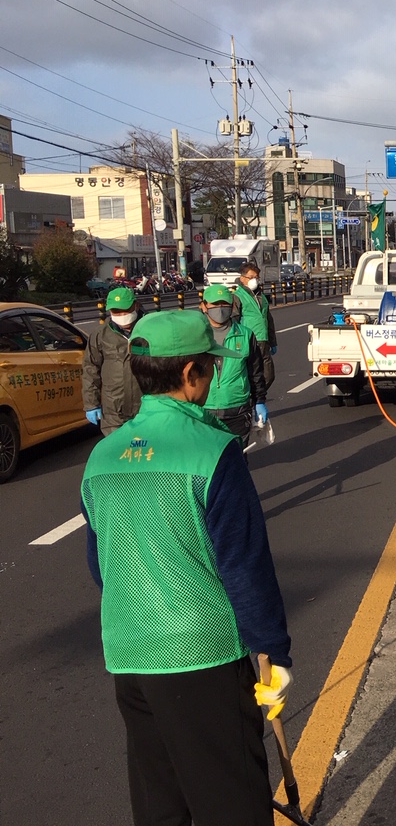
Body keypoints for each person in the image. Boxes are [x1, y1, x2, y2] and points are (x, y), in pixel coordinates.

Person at [79, 309, 292, 826]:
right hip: (202, 657)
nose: (214, 375)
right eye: (209, 367)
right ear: (192, 375)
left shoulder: (103, 456)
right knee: (231, 801)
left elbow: (100, 564)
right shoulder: (214, 450)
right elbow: (244, 565)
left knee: (159, 803)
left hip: (129, 657)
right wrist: (273, 650)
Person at [201, 284, 269, 448]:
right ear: (204, 306)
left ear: (232, 306)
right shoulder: (195, 335)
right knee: (206, 464)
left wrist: (259, 400)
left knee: (237, 461)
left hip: (237, 410)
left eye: (224, 304)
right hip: (203, 410)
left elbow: (255, 372)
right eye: (214, 304)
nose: (220, 308)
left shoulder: (245, 335)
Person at [83, 286, 142, 435]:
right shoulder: (100, 335)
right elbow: (91, 369)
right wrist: (91, 404)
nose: (122, 315)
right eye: (116, 311)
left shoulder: (149, 329)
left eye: (125, 310)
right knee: (119, 454)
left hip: (147, 407)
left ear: (136, 305)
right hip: (114, 411)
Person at [232, 260, 277, 393]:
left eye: (256, 277)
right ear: (242, 278)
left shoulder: (261, 296)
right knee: (252, 374)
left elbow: (268, 319)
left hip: (263, 340)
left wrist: (273, 341)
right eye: (251, 277)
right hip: (248, 340)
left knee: (269, 375)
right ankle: (251, 399)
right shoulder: (237, 296)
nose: (254, 280)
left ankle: (255, 397)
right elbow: (234, 320)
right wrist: (237, 341)